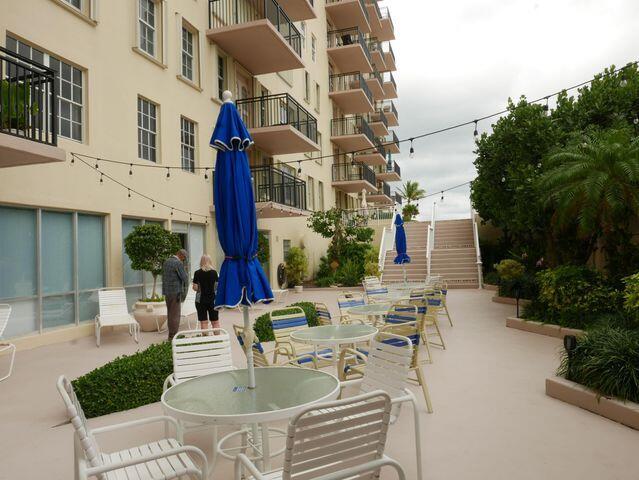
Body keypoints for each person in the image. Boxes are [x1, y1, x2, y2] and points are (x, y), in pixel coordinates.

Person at [162, 248, 189, 341]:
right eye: (184, 258)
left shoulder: (166, 262)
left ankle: (171, 334)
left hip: (167, 292)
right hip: (176, 292)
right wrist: (185, 270)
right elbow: (185, 278)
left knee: (170, 313)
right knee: (175, 314)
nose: (183, 260)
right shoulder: (178, 263)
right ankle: (173, 336)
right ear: (180, 255)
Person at [191, 254, 219, 331]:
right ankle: (217, 340)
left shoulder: (197, 273)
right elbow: (216, 287)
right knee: (215, 322)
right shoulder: (214, 273)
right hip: (212, 300)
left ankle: (206, 340)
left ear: (201, 262)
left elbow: (195, 288)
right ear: (210, 261)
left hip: (200, 300)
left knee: (203, 322)